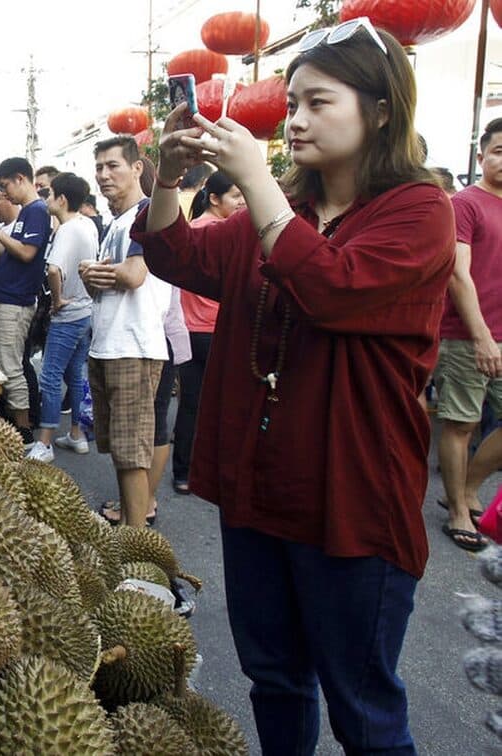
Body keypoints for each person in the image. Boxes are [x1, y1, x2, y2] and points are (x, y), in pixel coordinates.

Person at [137, 19, 453, 755]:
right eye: (292, 106)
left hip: (351, 496)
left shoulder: (419, 210)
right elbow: (177, 256)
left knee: (364, 711)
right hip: (260, 489)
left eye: (318, 103)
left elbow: (334, 289)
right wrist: (168, 180)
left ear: (380, 110)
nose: (297, 121)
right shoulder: (286, 209)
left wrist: (255, 180)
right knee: (275, 680)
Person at [82, 136, 171, 528]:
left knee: (132, 452)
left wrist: (96, 272)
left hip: (134, 346)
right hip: (107, 345)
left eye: (113, 165)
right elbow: (99, 287)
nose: (104, 175)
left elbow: (134, 275)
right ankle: (127, 526)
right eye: (99, 167)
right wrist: (93, 275)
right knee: (120, 450)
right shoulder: (114, 223)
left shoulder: (149, 213)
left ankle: (135, 539)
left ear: (136, 168)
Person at [435, 117, 502, 552]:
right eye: (499, 151)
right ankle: (459, 511)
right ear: (481, 156)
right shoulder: (464, 203)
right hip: (467, 333)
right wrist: (481, 336)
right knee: (461, 422)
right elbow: (458, 274)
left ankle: (467, 487)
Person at [0, 158, 52, 444]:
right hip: (3, 299)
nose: (4, 193)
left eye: (5, 186)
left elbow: (27, 253)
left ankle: (23, 433)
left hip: (14, 304)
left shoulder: (36, 211)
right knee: (5, 366)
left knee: (11, 368)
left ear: (20, 178)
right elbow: (7, 254)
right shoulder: (28, 212)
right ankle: (14, 430)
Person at [172, 170, 246, 494]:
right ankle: (213, 470)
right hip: (217, 331)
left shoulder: (192, 230)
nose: (242, 202)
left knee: (190, 405)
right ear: (214, 198)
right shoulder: (225, 233)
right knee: (220, 405)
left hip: (188, 331)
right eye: (236, 196)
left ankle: (183, 472)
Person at [26, 172, 97, 461]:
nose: (46, 199)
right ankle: (77, 435)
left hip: (67, 315)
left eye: (50, 194)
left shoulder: (67, 230)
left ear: (62, 199)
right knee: (75, 374)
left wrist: (57, 300)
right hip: (86, 311)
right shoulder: (87, 224)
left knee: (51, 375)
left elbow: (53, 269)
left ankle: (44, 443)